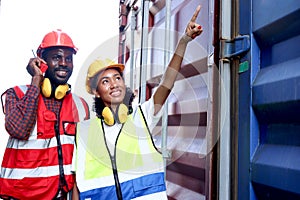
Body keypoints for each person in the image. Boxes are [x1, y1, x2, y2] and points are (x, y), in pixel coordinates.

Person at [73, 5, 203, 200]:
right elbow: (78, 183)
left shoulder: (143, 116)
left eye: (117, 78)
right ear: (95, 92)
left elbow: (167, 82)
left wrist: (183, 41)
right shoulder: (84, 132)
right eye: (105, 81)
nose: (114, 84)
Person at [0, 29, 90, 200]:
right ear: (42, 61)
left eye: (69, 58)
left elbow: (82, 160)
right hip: (21, 196)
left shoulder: (81, 106)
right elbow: (19, 129)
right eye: (56, 57)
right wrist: (36, 79)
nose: (64, 63)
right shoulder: (17, 94)